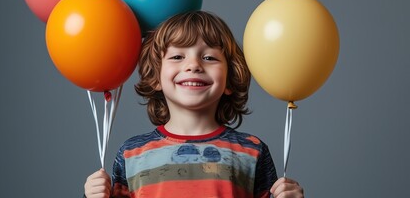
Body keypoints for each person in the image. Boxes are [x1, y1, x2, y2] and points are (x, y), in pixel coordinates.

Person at [84, 11, 304, 198]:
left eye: (209, 58)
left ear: (229, 79)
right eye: (178, 56)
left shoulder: (252, 151)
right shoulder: (132, 153)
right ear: (155, 78)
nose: (193, 65)